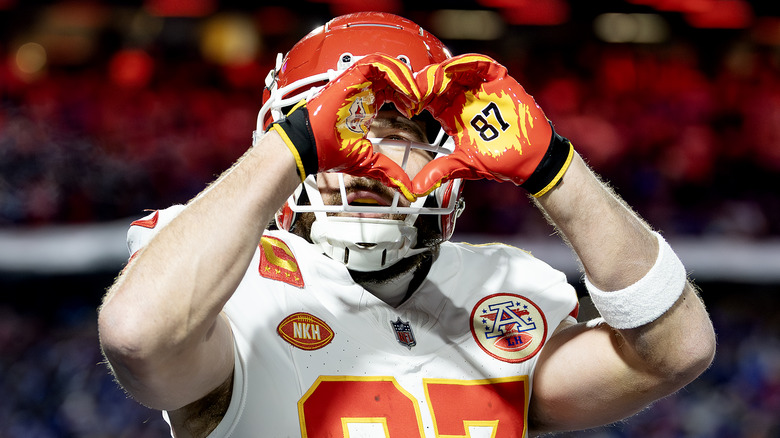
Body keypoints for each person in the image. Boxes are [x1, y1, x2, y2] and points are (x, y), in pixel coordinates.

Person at [97, 11, 716, 438]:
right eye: (343, 130)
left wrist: (555, 167)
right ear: (288, 140)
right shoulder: (235, 282)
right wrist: (295, 147)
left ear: (450, 153)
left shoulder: (501, 287)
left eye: (397, 133)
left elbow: (676, 352)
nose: (366, 155)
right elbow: (137, 337)